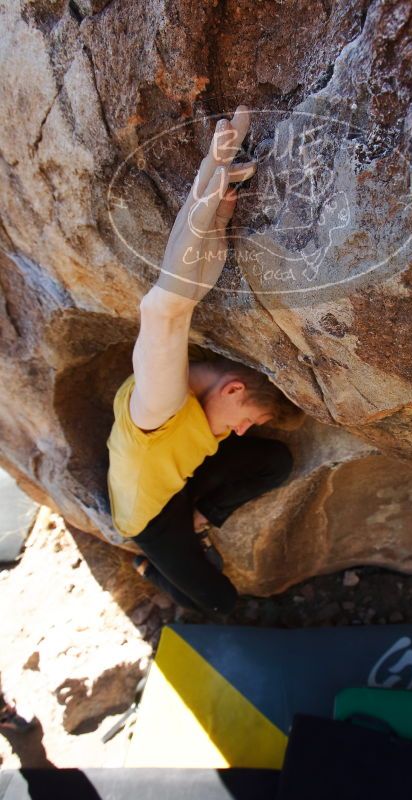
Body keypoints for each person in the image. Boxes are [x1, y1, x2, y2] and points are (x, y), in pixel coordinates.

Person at [106, 104, 304, 618]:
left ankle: (200, 517)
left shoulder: (194, 401)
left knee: (274, 461)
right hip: (151, 515)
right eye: (245, 421)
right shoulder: (160, 408)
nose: (241, 432)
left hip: (180, 478)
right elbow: (164, 308)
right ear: (233, 390)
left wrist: (213, 221)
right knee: (217, 600)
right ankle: (152, 567)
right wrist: (205, 179)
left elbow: (187, 294)